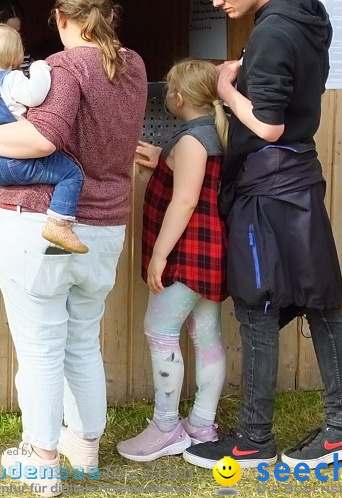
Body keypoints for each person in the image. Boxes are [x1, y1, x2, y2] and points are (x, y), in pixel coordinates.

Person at [183, 0, 342, 471]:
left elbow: (267, 124)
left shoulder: (269, 33)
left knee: (257, 305)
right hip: (299, 176)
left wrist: (226, 87)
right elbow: (286, 97)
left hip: (267, 187)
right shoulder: (307, 16)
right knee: (320, 300)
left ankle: (254, 440)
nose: (217, 1)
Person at [0, 0, 147, 496]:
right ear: (108, 16)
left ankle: (41, 458)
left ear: (62, 20)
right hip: (108, 225)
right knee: (82, 339)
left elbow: (41, 138)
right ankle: (84, 446)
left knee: (40, 346)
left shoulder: (67, 67)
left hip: (39, 223)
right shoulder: (132, 65)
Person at [117, 59, 226, 462]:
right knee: (206, 333)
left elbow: (185, 200)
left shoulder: (192, 142)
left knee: (160, 330)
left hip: (187, 253)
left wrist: (159, 256)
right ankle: (201, 424)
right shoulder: (212, 132)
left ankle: (166, 428)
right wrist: (162, 159)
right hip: (211, 251)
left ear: (177, 97)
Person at [0, 23, 86, 253]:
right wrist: (40, 68)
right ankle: (59, 223)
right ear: (17, 57)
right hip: (19, 161)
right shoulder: (11, 80)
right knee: (71, 173)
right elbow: (36, 95)